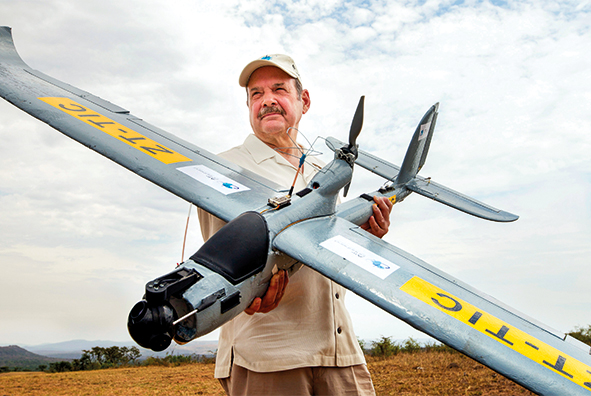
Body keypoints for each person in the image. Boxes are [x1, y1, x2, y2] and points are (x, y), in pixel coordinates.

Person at [198, 54, 393, 396]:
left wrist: (363, 236)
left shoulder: (321, 168)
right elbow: (222, 268)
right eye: (256, 94)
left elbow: (330, 253)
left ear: (303, 101)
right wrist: (250, 296)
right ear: (248, 107)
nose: (267, 100)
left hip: (339, 351)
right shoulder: (223, 169)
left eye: (278, 89)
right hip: (268, 357)